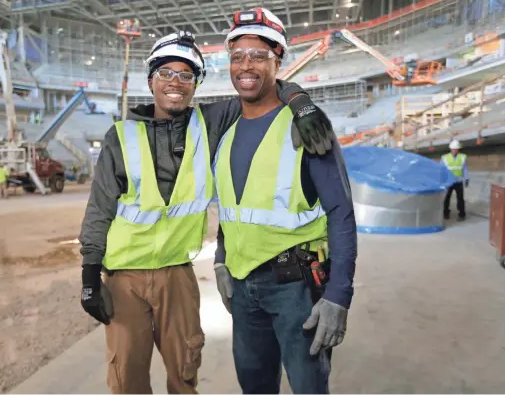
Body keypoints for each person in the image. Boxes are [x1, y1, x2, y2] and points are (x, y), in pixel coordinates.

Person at [78, 29, 335, 394]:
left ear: (195, 84)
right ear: (150, 79)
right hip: (125, 277)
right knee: (127, 378)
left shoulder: (211, 122)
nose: (175, 83)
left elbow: (260, 83)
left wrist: (301, 102)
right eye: (166, 73)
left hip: (178, 275)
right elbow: (99, 208)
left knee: (184, 372)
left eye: (186, 75)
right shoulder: (120, 137)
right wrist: (90, 275)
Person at [212, 8, 358, 394]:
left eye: (259, 55)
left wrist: (338, 295)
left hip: (297, 288)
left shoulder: (304, 124)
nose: (246, 65)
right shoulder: (224, 130)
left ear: (278, 60)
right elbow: (232, 209)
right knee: (255, 387)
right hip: (243, 289)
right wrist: (220, 259)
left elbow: (341, 212)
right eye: (237, 56)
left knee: (309, 387)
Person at [442, 139, 469, 221]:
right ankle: (446, 213)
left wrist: (466, 178)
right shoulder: (445, 157)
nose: (455, 150)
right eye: (453, 149)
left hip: (458, 181)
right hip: (448, 182)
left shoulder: (463, 157)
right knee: (446, 198)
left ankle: (462, 214)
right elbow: (442, 169)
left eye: (456, 149)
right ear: (450, 149)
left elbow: (465, 169)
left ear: (458, 149)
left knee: (460, 199)